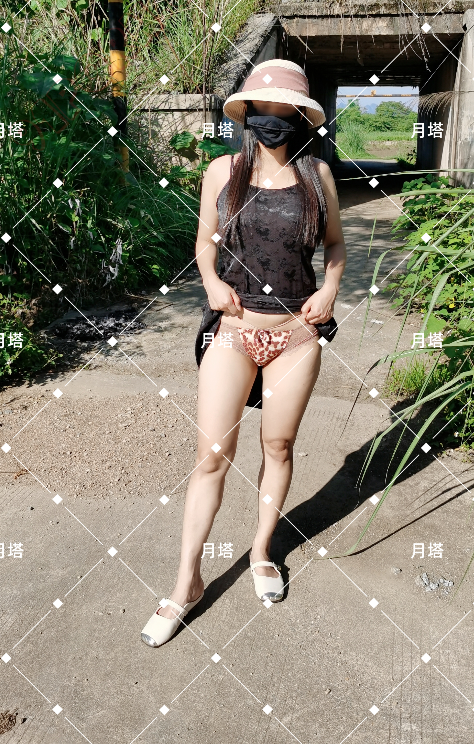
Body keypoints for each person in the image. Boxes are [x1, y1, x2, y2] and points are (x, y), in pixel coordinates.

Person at [141, 59, 346, 647]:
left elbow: (334, 249)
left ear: (301, 117)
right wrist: (209, 280)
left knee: (277, 445)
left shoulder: (318, 176)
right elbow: (205, 244)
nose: (272, 119)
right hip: (232, 328)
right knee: (211, 455)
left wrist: (330, 289)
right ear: (248, 113)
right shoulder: (221, 172)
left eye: (285, 110)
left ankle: (261, 551)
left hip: (296, 333)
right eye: (263, 109)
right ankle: (187, 581)